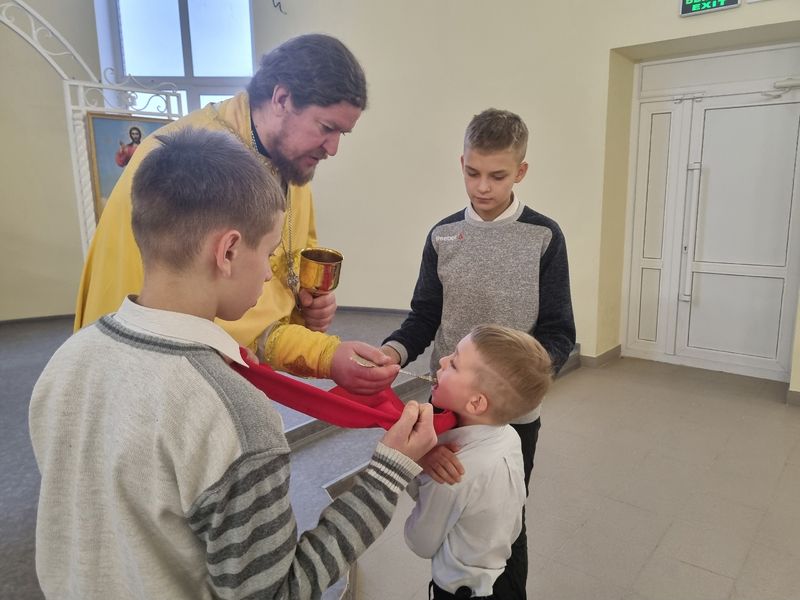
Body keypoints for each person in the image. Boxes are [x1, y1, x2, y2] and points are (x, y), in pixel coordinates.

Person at [30, 128, 438, 600]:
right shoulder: (232, 417)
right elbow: (275, 592)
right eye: (268, 253)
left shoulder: (68, 360)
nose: (268, 273)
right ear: (227, 252)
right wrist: (387, 474)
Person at [75, 33, 398, 395]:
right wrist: (322, 354)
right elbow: (207, 313)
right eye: (326, 128)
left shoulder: (289, 159)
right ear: (281, 98)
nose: (333, 148)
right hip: (154, 377)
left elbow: (289, 267)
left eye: (343, 133)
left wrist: (305, 303)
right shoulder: (197, 165)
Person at [382, 108, 576, 597]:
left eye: (497, 176)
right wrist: (394, 352)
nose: (482, 187)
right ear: (461, 163)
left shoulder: (544, 236)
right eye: (472, 173)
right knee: (444, 506)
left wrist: (516, 383)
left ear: (521, 171)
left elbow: (559, 332)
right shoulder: (442, 235)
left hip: (512, 415)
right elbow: (424, 314)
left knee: (505, 521)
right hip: (448, 407)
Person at [404, 325, 552, 599]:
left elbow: (420, 542)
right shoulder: (510, 436)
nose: (442, 360)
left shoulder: (451, 471)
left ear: (475, 403)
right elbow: (513, 526)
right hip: (502, 577)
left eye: (454, 363)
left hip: (457, 590)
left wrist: (412, 463)